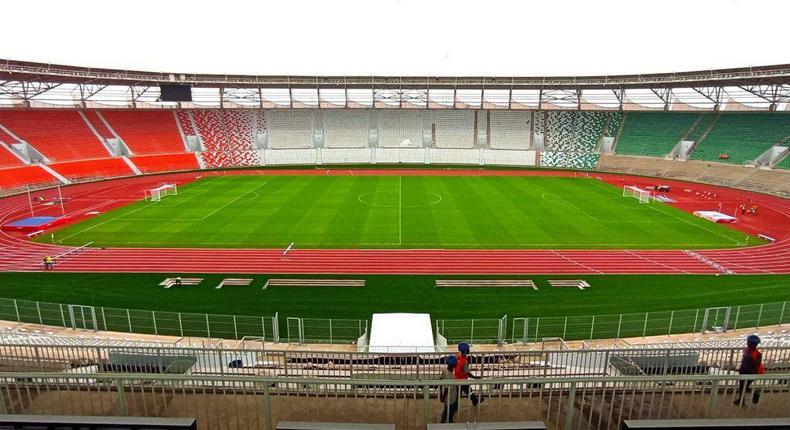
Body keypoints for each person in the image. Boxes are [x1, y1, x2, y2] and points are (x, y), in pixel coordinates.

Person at [734, 334, 765, 405]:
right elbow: (744, 361)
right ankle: (742, 400)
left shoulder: (758, 354)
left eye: (749, 342)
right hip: (744, 371)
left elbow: (756, 365)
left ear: (754, 344)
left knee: (744, 386)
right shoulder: (746, 350)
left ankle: (754, 394)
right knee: (742, 386)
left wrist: (750, 362)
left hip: (753, 372)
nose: (747, 343)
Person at [439, 355, 459, 423]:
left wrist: (441, 394)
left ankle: (447, 420)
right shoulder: (450, 376)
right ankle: (446, 421)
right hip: (450, 397)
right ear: (453, 365)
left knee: (450, 409)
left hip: (451, 396)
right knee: (448, 410)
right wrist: (443, 397)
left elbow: (441, 380)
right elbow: (447, 389)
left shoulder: (445, 370)